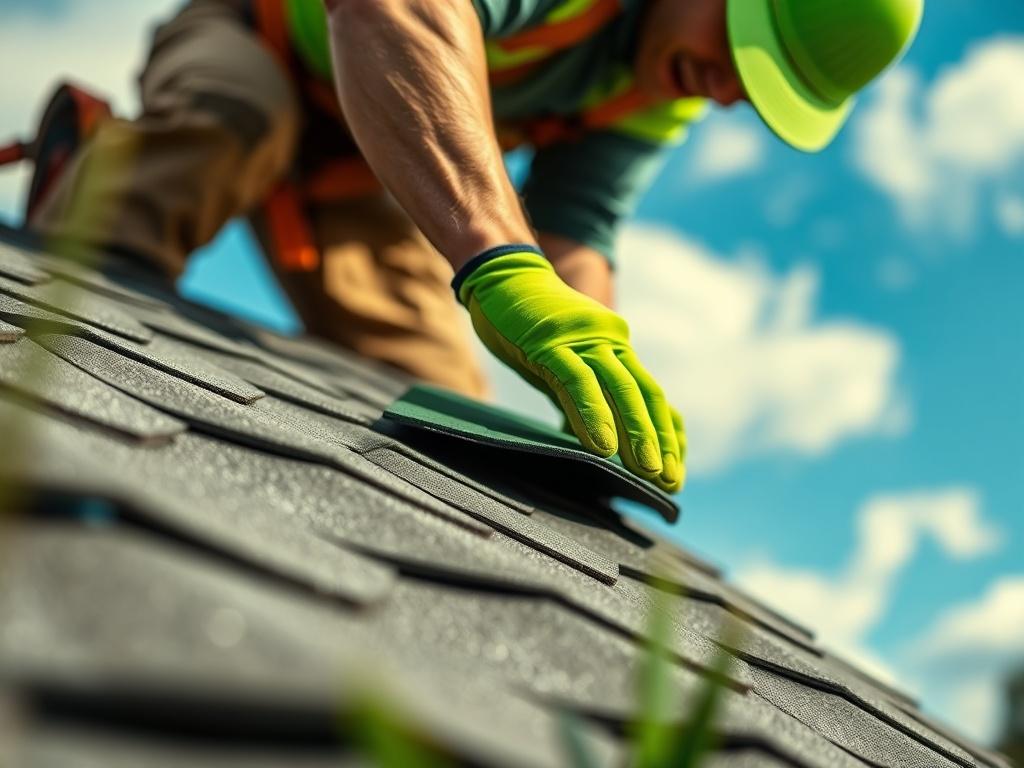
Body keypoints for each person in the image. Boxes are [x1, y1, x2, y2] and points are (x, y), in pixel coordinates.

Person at [17, 0, 923, 493]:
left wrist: (587, 355)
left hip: (372, 169)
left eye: (760, 89)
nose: (729, 91)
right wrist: (498, 262)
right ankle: (83, 205)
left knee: (441, 416)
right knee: (228, 127)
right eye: (741, 47)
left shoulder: (658, 83)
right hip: (257, 44)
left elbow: (575, 231)